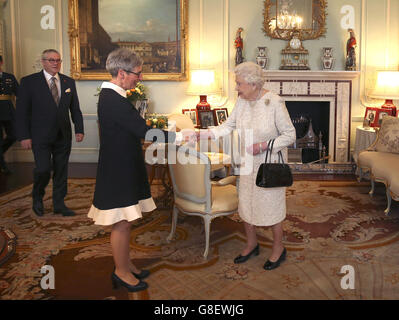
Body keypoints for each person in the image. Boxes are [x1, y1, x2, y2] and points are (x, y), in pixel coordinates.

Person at [87, 48, 194, 293]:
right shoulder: (113, 99)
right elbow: (143, 131)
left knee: (127, 220)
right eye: (138, 73)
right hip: (118, 170)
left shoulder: (115, 96)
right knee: (122, 222)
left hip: (123, 165)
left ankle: (126, 264)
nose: (141, 77)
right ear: (122, 73)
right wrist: (179, 136)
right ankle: (121, 272)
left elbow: (135, 127)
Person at [197, 62, 296, 270]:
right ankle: (252, 244)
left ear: (253, 84)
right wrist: (207, 133)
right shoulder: (242, 100)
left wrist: (264, 146)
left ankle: (278, 247)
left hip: (268, 165)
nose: (236, 88)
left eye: (239, 83)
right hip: (246, 163)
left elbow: (290, 135)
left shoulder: (275, 102)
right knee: (246, 204)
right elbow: (229, 124)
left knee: (272, 208)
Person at [16, 49, 84, 217]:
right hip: (40, 136)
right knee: (43, 169)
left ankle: (59, 204)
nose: (55, 63)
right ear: (43, 62)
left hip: (63, 134)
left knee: (61, 171)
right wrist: (24, 136)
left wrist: (79, 129)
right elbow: (22, 112)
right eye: (51, 60)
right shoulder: (29, 82)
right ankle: (37, 198)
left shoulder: (68, 82)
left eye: (58, 60)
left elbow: (75, 108)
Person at [0, 55, 18, 174]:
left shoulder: (9, 77)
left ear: (1, 62)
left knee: (14, 135)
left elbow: (19, 92)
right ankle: (3, 166)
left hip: (8, 110)